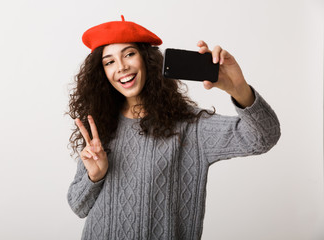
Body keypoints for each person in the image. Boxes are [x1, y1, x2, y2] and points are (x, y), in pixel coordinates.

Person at [67, 15, 280, 240]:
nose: (121, 67)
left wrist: (238, 88)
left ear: (147, 60)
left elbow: (264, 137)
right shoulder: (100, 126)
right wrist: (95, 176)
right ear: (102, 74)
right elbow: (78, 206)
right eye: (109, 62)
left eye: (129, 54)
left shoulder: (190, 126)